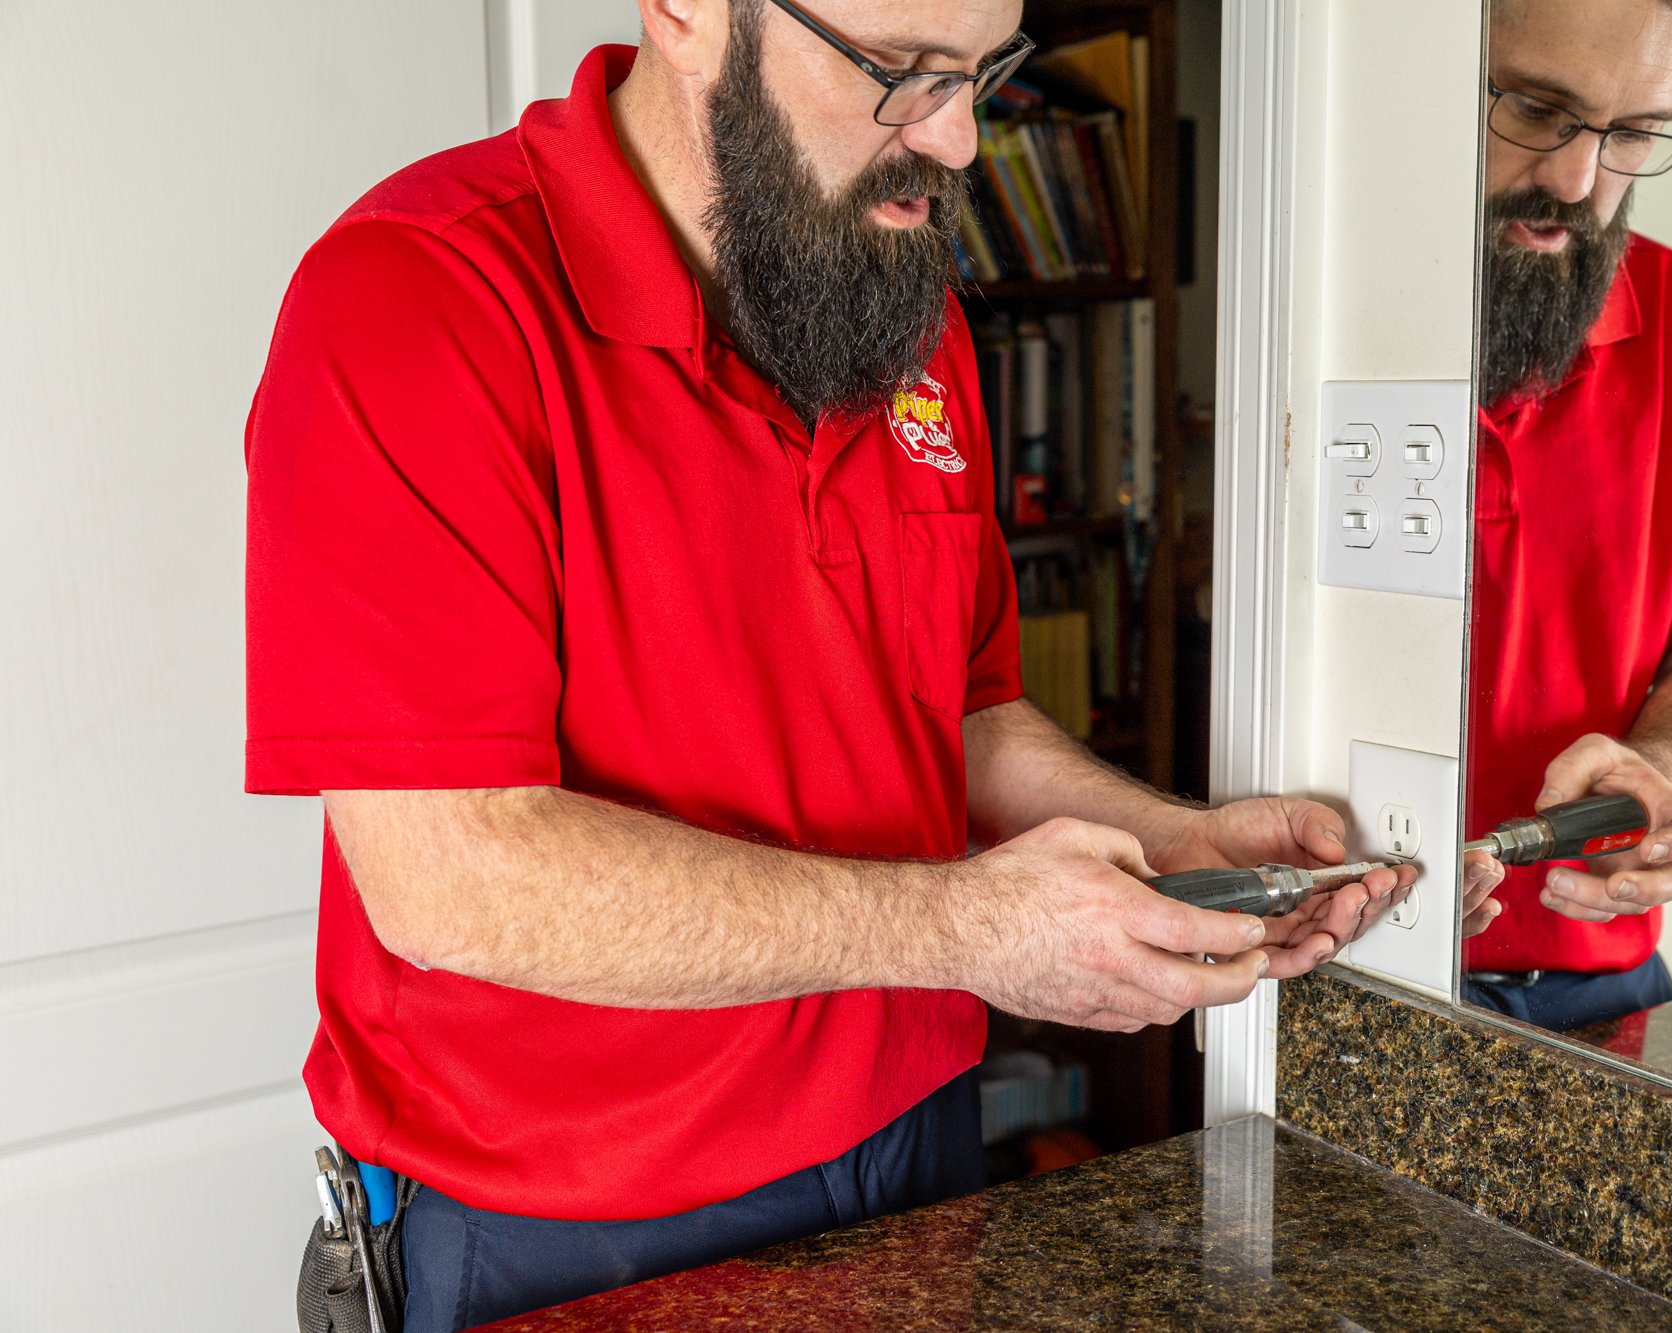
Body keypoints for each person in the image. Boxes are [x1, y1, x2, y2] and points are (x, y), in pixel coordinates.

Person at [244, 2, 1423, 1327]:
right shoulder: (418, 297)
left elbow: (961, 715)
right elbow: (451, 877)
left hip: (914, 1149)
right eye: (903, 74)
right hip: (572, 1224)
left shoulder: (895, 297)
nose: (959, 141)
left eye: (985, 76)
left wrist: (1173, 837)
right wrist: (973, 930)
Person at [1461, 0, 1672, 1032]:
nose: (1576, 184)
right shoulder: (1302, 304)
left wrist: (1655, 775)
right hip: (1343, 971)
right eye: (1536, 107)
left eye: (1632, 133)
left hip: (1605, 979)